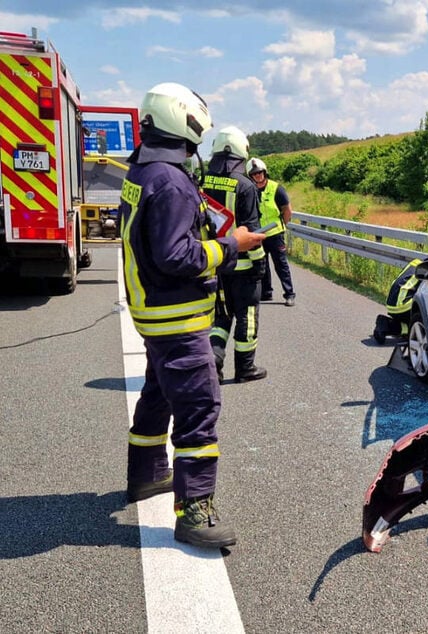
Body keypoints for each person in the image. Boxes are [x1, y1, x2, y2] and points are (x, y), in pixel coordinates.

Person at [119, 82, 265, 549]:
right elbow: (175, 256)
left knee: (158, 395)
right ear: (186, 121)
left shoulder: (142, 173)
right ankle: (195, 509)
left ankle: (147, 475)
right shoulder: (171, 182)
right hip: (177, 319)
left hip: (154, 315)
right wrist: (230, 246)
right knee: (199, 409)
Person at [204, 126, 268, 384]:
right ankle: (245, 368)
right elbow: (251, 232)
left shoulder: (202, 181)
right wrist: (260, 264)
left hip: (216, 263)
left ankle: (214, 364)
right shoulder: (246, 186)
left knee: (221, 316)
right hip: (243, 267)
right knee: (247, 315)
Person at [246, 157, 296, 306]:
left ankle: (289, 294)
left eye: (260, 173)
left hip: (275, 234)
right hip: (259, 234)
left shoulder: (276, 188)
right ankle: (266, 293)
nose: (258, 176)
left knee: (280, 264)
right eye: (254, 174)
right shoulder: (250, 190)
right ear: (251, 176)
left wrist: (282, 225)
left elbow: (287, 210)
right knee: (262, 265)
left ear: (265, 172)